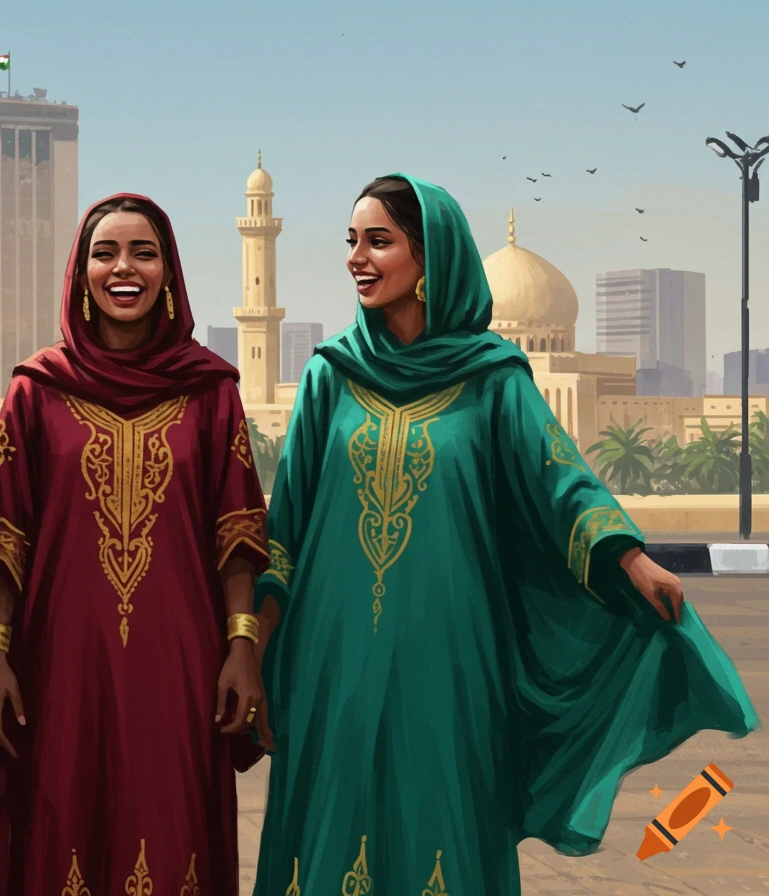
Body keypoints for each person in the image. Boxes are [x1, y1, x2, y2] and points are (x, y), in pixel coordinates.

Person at [250, 174, 759, 895]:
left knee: (443, 810)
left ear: (432, 261)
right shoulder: (331, 375)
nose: (357, 258)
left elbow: (562, 481)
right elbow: (286, 529)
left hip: (451, 654)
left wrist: (630, 558)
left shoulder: (493, 379)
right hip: (331, 660)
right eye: (352, 241)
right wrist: (255, 649)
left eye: (380, 241)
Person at [0, 194, 272, 896]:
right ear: (80, 273)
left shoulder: (210, 391)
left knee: (170, 834)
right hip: (60, 663)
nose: (124, 268)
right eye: (104, 254)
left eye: (144, 253)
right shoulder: (36, 391)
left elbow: (236, 530)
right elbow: (3, 539)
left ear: (169, 272)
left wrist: (241, 646)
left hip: (179, 665)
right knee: (63, 821)